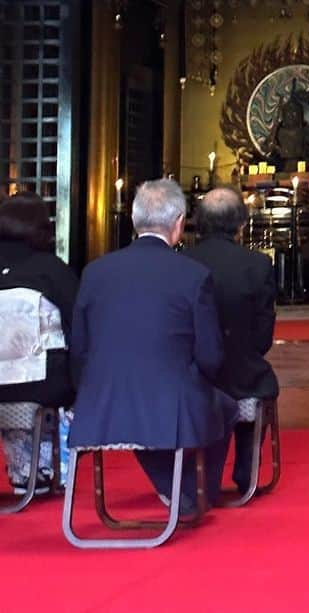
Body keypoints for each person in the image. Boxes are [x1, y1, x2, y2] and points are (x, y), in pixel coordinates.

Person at [69, 178, 236, 513]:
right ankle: (194, 491)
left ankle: (182, 490)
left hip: (100, 405)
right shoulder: (192, 274)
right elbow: (210, 356)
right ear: (178, 224)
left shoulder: (95, 272)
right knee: (224, 405)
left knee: (139, 407)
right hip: (167, 401)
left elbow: (80, 347)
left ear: (133, 220)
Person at [189, 188, 279, 496]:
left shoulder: (182, 262)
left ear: (197, 222)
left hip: (194, 375)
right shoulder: (257, 264)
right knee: (260, 381)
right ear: (241, 223)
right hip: (241, 371)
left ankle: (196, 471)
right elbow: (263, 337)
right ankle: (245, 468)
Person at [0, 193, 79, 495]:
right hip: (42, 383)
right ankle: (50, 467)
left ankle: (24, 471)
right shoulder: (51, 269)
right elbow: (78, 323)